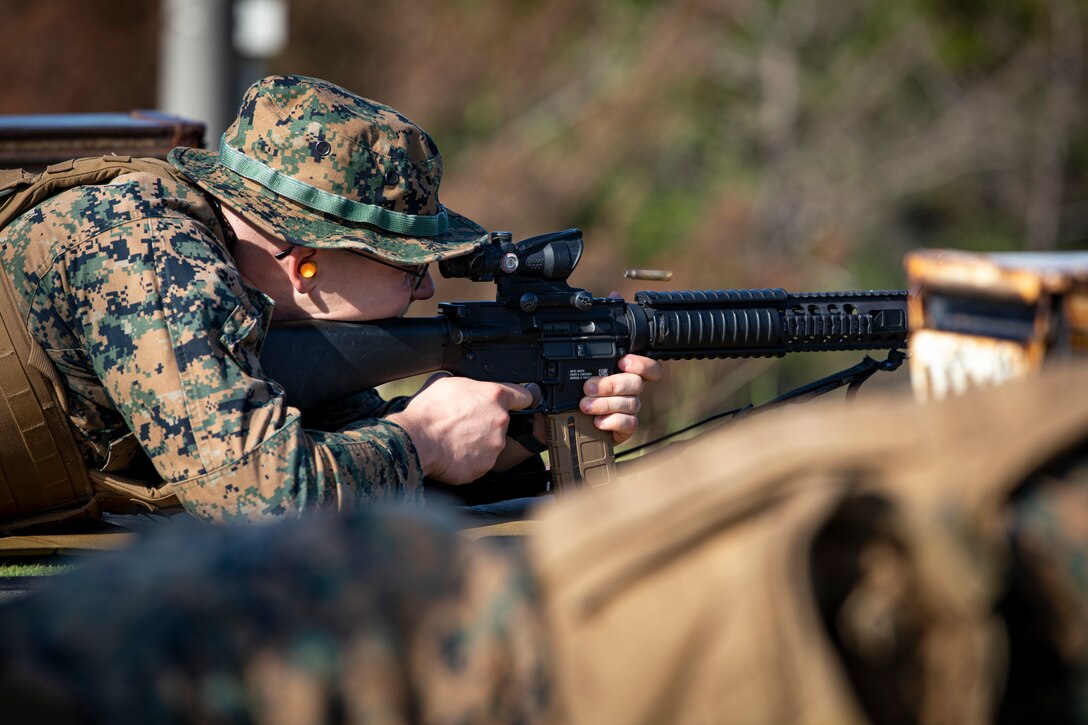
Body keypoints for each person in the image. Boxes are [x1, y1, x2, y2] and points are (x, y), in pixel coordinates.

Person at [0, 75, 662, 522]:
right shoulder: (151, 254)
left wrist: (525, 427)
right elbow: (261, 496)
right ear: (307, 255)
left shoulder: (257, 304)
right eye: (406, 267)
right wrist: (424, 434)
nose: (427, 287)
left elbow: (353, 467)